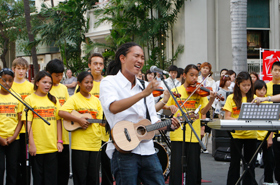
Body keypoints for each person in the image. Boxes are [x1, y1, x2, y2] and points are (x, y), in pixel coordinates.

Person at [99, 42, 180, 185]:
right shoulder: (109, 82)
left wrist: (169, 125)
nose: (140, 61)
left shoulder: (144, 86)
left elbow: (152, 120)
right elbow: (113, 107)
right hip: (124, 151)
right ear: (122, 58)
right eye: (136, 56)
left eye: (142, 57)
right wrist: (143, 94)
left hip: (148, 149)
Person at [165, 64, 217, 185]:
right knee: (177, 167)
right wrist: (170, 106)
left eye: (196, 76)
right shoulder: (175, 91)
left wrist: (212, 100)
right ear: (184, 75)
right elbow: (165, 106)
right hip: (177, 133)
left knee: (193, 168)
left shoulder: (199, 92)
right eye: (191, 75)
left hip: (194, 134)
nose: (194, 78)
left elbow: (203, 111)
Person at [59, 71, 102, 185]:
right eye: (86, 82)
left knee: (93, 179)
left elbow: (101, 121)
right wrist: (79, 120)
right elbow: (61, 112)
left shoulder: (96, 101)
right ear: (79, 83)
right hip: (80, 145)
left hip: (95, 144)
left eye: (91, 82)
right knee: (80, 178)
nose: (89, 85)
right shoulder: (74, 99)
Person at [21, 71, 63, 185]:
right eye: (44, 82)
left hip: (52, 146)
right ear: (37, 83)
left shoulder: (54, 100)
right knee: (38, 179)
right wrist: (31, 144)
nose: (47, 85)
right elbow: (27, 123)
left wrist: (59, 141)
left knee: (51, 179)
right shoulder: (29, 99)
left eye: (49, 83)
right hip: (38, 147)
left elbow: (59, 121)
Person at [223, 71, 257, 185]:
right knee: (234, 163)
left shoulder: (255, 98)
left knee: (250, 164)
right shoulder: (231, 98)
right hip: (236, 134)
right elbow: (227, 117)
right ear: (238, 84)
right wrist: (239, 120)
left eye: (249, 85)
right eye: (244, 85)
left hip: (251, 134)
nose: (247, 88)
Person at [86, 53, 113, 185]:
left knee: (108, 169)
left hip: (107, 133)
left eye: (101, 64)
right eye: (95, 63)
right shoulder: (84, 84)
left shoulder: (108, 82)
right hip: (90, 134)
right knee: (93, 171)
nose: (98, 66)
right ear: (89, 65)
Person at [46, 59, 70, 185]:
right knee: (51, 171)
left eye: (61, 75)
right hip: (49, 136)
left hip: (64, 137)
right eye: (56, 75)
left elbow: (67, 107)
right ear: (48, 73)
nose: (59, 78)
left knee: (63, 170)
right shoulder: (45, 88)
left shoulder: (63, 89)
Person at [10, 58, 34, 185]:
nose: (20, 71)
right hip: (13, 129)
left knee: (26, 162)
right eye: (18, 68)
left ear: (26, 70)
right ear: (13, 69)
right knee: (14, 163)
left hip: (27, 129)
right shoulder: (9, 84)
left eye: (23, 69)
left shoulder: (30, 86)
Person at [0, 68, 23, 185]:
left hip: (14, 139)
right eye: (4, 80)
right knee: (0, 169)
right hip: (0, 138)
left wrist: (14, 136)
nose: (7, 83)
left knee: (13, 168)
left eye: (10, 80)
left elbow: (20, 120)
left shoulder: (17, 97)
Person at [253, 80, 275, 183]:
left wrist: (270, 137)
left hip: (267, 136)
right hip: (254, 136)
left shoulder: (269, 102)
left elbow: (272, 122)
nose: (262, 92)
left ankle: (268, 180)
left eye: (264, 89)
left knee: (269, 161)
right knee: (251, 161)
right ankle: (250, 180)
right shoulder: (251, 100)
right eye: (259, 89)